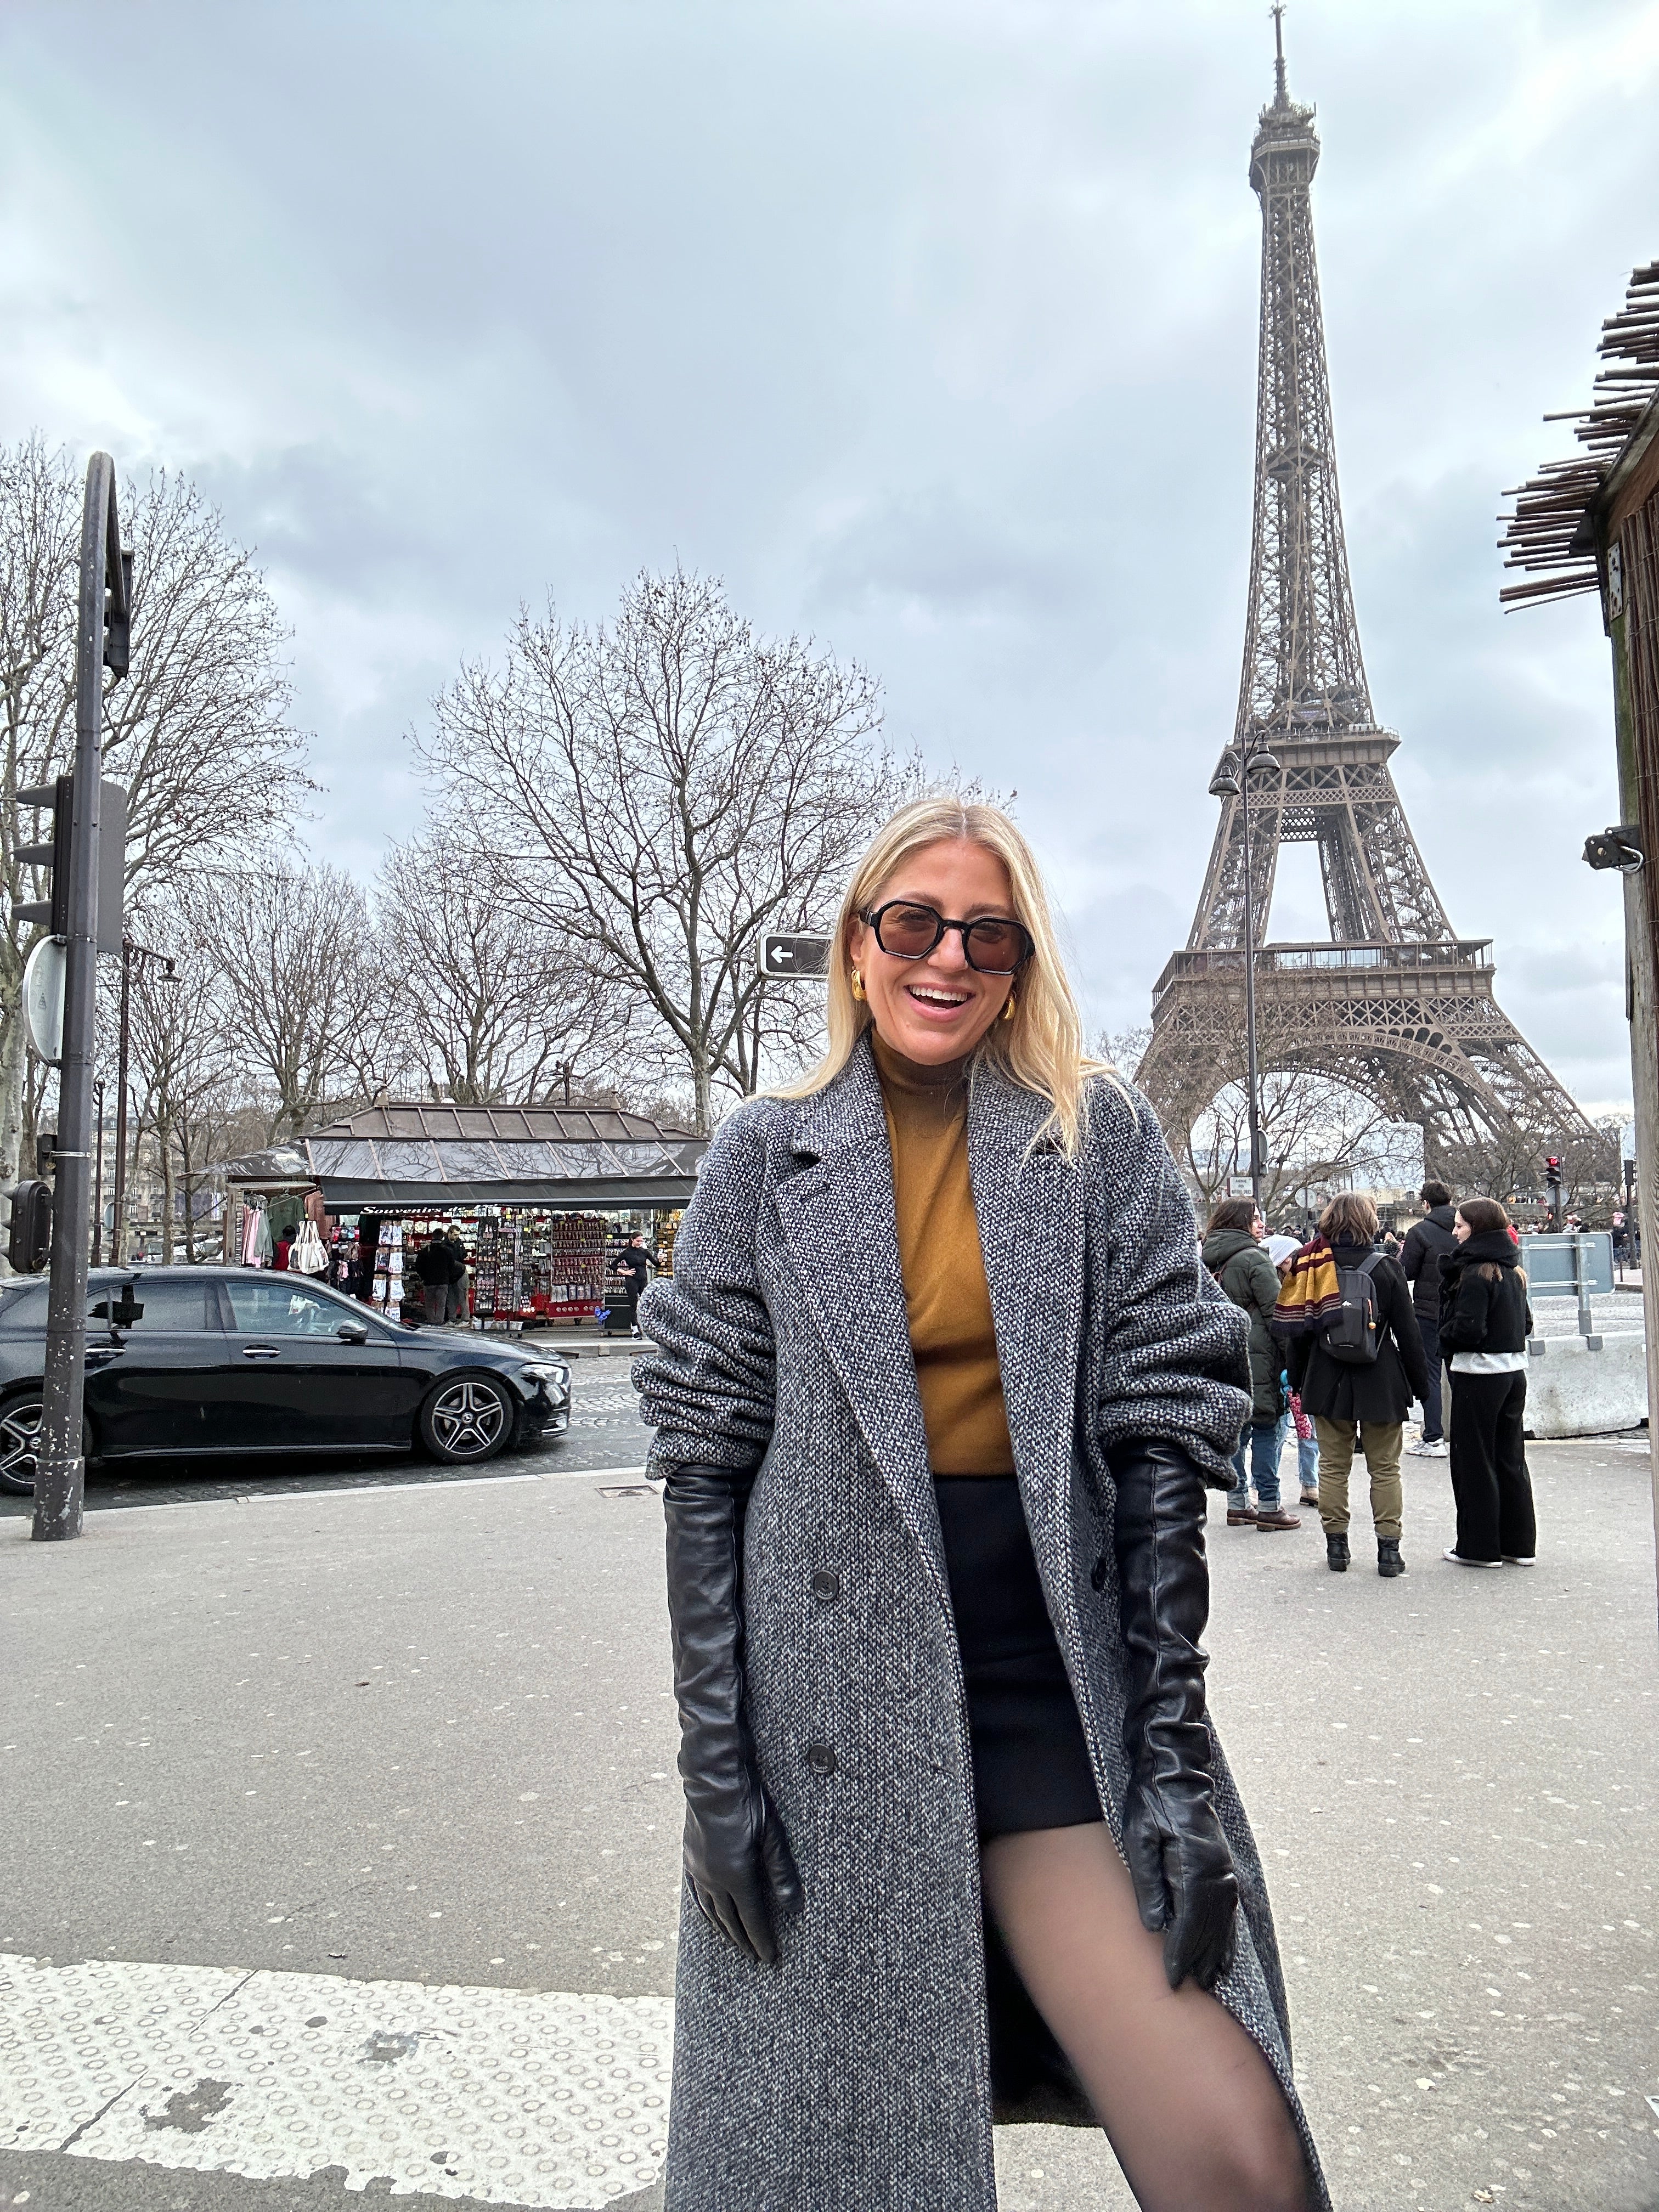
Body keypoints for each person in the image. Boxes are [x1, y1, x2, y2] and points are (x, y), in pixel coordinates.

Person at [635, 797, 1323, 2212]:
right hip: (833, 1705)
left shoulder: (1094, 1132)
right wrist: (717, 1768)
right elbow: (704, 1460)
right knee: (840, 2164)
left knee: (1236, 2150)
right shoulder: (762, 1154)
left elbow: (1160, 1427)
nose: (947, 957)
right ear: (856, 947)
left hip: (1047, 1678)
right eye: (913, 924)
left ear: (1023, 962)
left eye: (987, 934)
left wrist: (1175, 1761)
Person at [1274, 1193, 1429, 1579]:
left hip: (1327, 1378)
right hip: (1381, 1377)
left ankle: (1337, 1547)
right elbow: (1409, 1334)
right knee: (1386, 1469)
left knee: (1333, 1467)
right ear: (1369, 1222)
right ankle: (1389, 1551)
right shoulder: (1387, 1268)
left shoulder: (1311, 1265)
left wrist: (1296, 1380)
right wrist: (1420, 1384)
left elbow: (1298, 1334)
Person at [1438, 1197, 1537, 1568]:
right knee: (1510, 1459)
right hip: (1513, 1373)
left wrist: (1443, 1339)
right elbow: (1525, 1325)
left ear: (1476, 1228)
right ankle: (1519, 1544)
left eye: (1460, 1226)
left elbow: (1468, 1329)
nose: (1455, 1232)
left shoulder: (1475, 1273)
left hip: (1477, 1375)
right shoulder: (1513, 1272)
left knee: (1474, 1461)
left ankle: (1479, 1547)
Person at [1202, 1199, 1300, 1531]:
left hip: (1221, 1355)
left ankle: (1237, 1503)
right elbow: (1278, 1312)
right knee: (1266, 1428)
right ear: (1241, 1222)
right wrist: (1294, 1358)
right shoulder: (1254, 1259)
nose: (1261, 1225)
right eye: (1256, 1219)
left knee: (1237, 1429)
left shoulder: (1204, 1258)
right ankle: (1270, 1505)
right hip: (1259, 1356)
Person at [1400, 1180, 1457, 1458]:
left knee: (1431, 1374)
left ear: (1425, 1203)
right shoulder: (1466, 1227)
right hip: (1460, 1312)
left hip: (1428, 1312)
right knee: (1460, 1373)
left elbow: (1406, 1272)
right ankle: (1463, 1435)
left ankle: (1434, 1437)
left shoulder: (1420, 1232)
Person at [612, 1233, 653, 1339]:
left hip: (643, 1280)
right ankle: (635, 1330)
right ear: (633, 1240)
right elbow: (612, 1265)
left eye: (641, 1241)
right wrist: (624, 1272)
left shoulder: (645, 1252)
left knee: (646, 1303)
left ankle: (646, 1328)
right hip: (632, 1280)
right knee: (633, 1305)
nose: (640, 1243)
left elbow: (656, 1264)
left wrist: (661, 1259)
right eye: (638, 1241)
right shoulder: (627, 1252)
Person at [413, 1232, 453, 1324]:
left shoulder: (426, 1250)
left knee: (429, 1305)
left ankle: (431, 1321)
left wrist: (423, 1276)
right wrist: (447, 1277)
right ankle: (439, 1322)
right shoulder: (447, 1250)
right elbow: (451, 1266)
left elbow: (418, 1265)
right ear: (443, 1237)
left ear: (432, 1237)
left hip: (429, 1282)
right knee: (441, 1305)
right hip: (443, 1282)